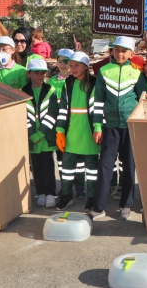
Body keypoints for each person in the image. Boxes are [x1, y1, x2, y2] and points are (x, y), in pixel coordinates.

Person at [90, 36, 141, 220]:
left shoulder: (137, 72)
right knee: (104, 167)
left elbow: (143, 99)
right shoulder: (103, 71)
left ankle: (126, 205)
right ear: (112, 51)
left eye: (124, 50)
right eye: (117, 49)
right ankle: (99, 207)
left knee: (129, 166)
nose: (120, 53)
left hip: (130, 128)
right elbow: (97, 102)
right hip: (109, 126)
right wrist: (97, 126)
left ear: (131, 54)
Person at [54, 52, 101, 211]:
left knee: (92, 170)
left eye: (76, 65)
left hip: (89, 133)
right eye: (71, 65)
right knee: (67, 168)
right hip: (71, 133)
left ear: (86, 66)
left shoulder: (95, 83)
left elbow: (99, 108)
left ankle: (92, 198)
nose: (72, 68)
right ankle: (66, 196)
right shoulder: (68, 83)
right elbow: (63, 109)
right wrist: (60, 130)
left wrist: (98, 128)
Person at [23, 58, 59, 208]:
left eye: (43, 73)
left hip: (46, 136)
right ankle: (41, 192)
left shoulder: (51, 90)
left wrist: (40, 133)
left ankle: (51, 193)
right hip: (32, 137)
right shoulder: (23, 92)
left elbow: (53, 113)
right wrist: (32, 133)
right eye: (36, 72)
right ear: (29, 74)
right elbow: (23, 115)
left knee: (48, 165)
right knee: (36, 166)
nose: (40, 76)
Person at [47, 49, 75, 195]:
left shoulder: (76, 80)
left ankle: (80, 186)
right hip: (58, 126)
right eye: (60, 61)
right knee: (61, 157)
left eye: (66, 61)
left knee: (77, 157)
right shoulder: (51, 82)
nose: (63, 64)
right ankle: (65, 186)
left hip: (74, 125)